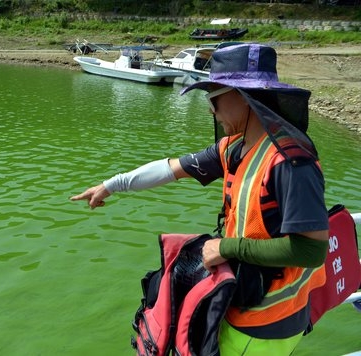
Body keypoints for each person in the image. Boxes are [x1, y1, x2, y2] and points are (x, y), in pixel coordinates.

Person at [70, 43, 329, 355]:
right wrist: (111, 185)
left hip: (265, 324)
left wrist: (225, 247)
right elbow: (170, 169)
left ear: (243, 97)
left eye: (214, 98)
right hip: (242, 304)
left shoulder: (289, 163)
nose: (211, 109)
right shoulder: (235, 148)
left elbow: (311, 250)